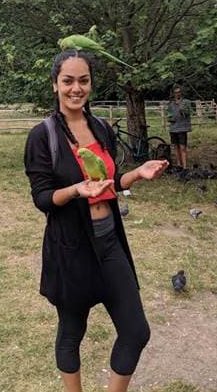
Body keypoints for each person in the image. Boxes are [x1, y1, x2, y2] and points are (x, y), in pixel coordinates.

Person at [24, 49, 169, 392]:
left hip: (109, 241)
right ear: (55, 85)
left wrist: (136, 174)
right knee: (72, 332)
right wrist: (76, 190)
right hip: (71, 247)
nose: (77, 88)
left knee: (135, 331)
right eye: (68, 80)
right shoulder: (42, 136)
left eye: (84, 80)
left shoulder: (101, 127)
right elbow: (42, 199)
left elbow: (109, 182)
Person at [167, 85, 192, 169]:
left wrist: (183, 112)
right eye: (175, 93)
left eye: (179, 92)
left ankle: (185, 167)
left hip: (182, 128)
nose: (177, 94)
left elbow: (189, 112)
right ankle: (179, 165)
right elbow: (169, 115)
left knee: (182, 147)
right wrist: (170, 119)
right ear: (173, 94)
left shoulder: (186, 102)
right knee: (176, 147)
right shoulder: (171, 104)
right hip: (173, 128)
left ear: (181, 93)